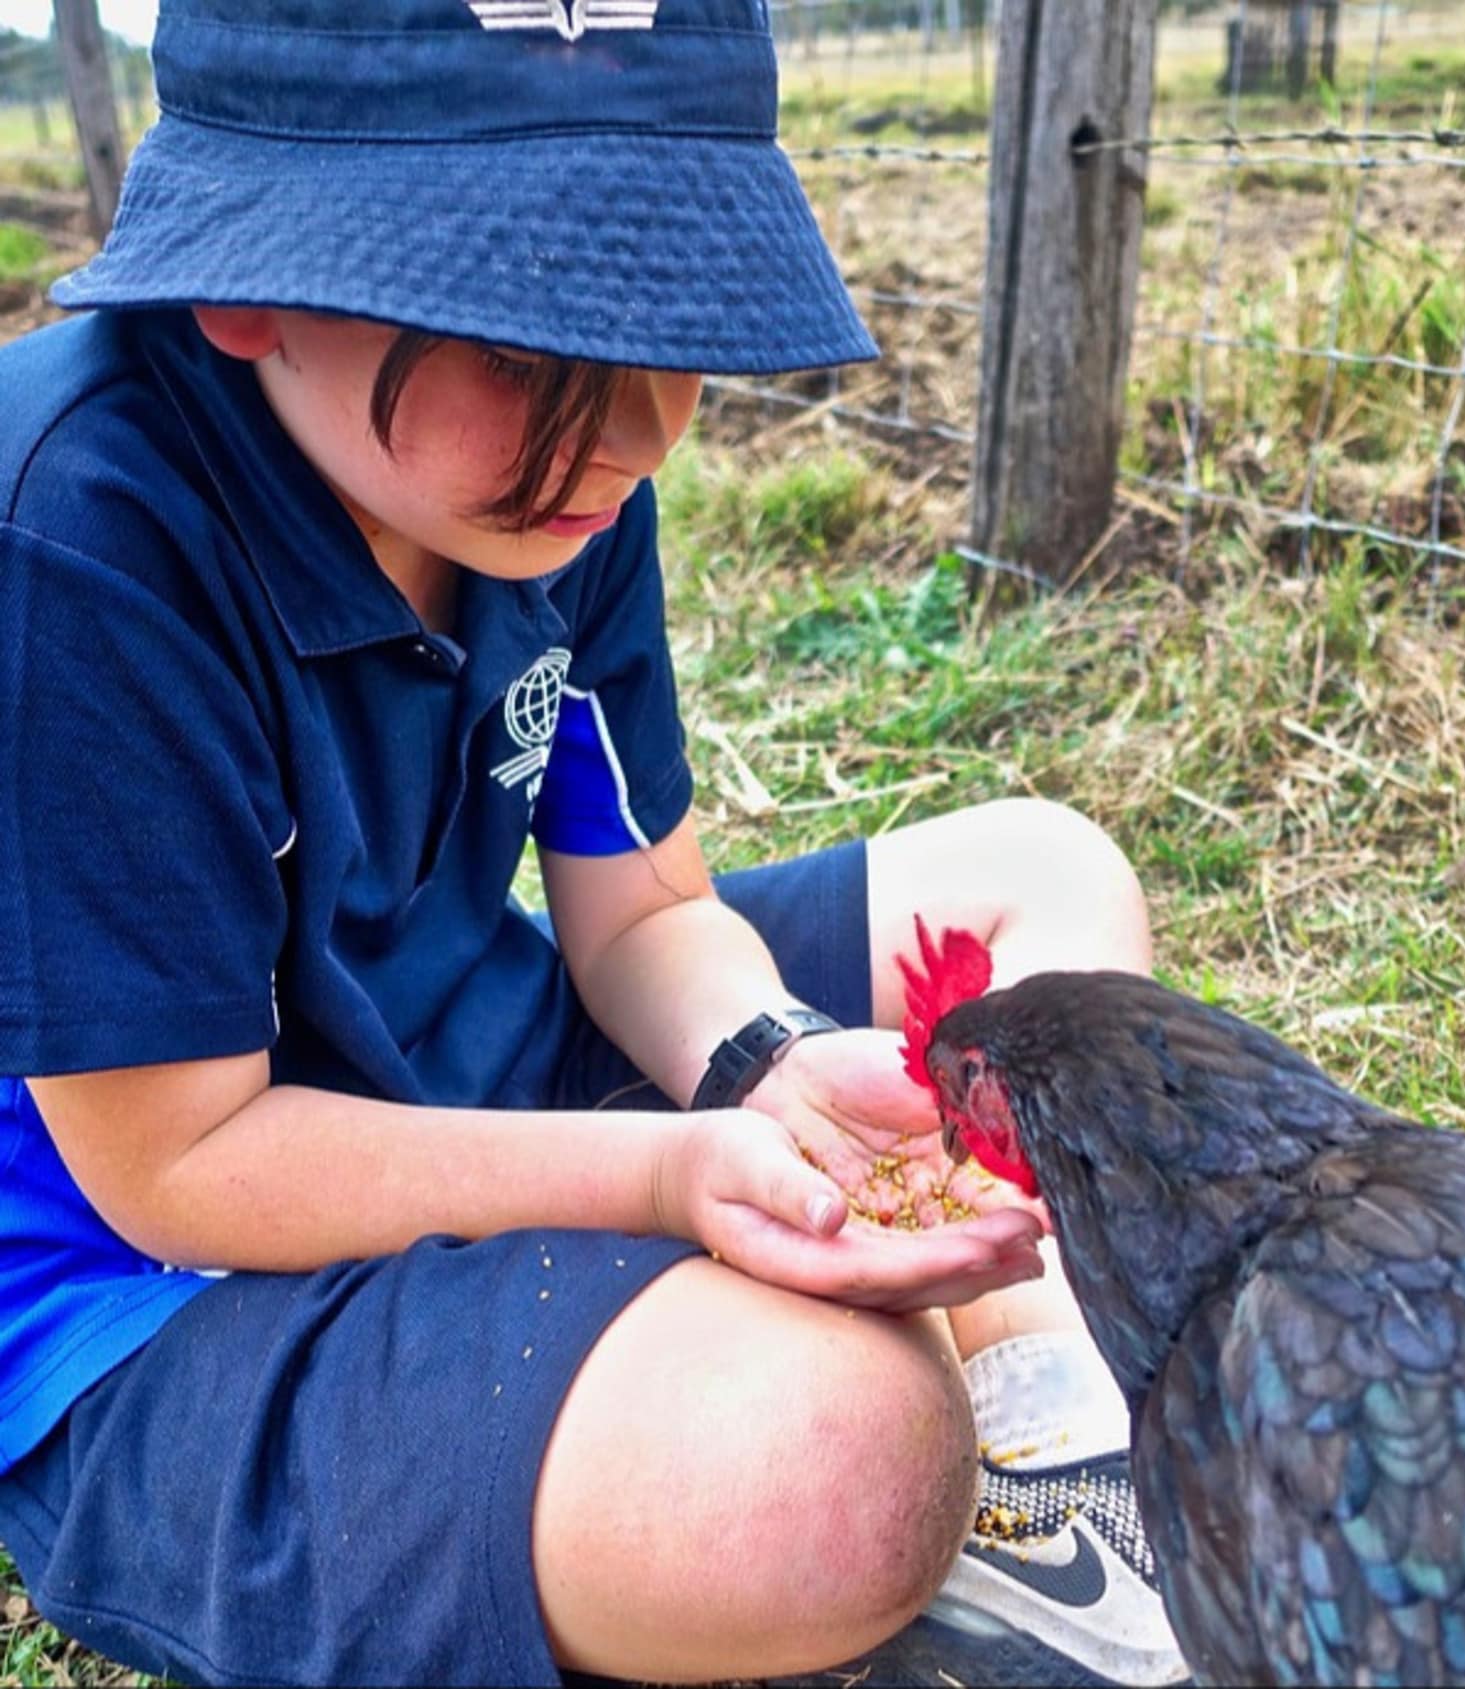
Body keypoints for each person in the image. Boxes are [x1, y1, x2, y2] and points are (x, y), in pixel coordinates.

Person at [0, 3, 1187, 1686]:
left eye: (671, 322)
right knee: (840, 1460)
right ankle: (920, 1472)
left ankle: (1062, 1473)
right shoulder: (78, 537)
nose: (632, 436)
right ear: (248, 282)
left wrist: (758, 1066)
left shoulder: (544, 495)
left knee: (1045, 883)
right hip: (171, 1288)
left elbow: (635, 908)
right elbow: (175, 1160)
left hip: (476, 1050)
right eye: (530, 344)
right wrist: (663, 1172)